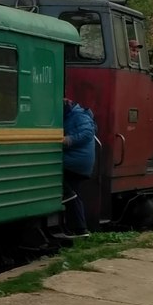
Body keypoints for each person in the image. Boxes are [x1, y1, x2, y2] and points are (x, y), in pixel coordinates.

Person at [60, 97, 96, 238]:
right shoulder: (74, 114)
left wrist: (68, 140)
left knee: (54, 173)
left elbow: (88, 133)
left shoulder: (79, 115)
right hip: (79, 161)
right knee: (74, 194)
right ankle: (78, 229)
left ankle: (79, 229)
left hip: (76, 161)